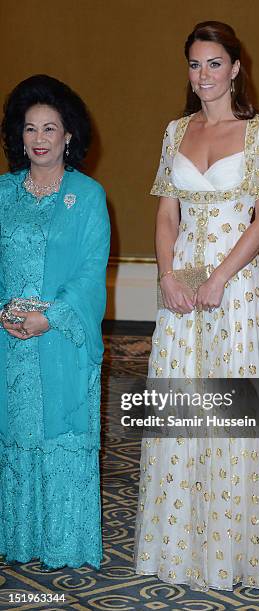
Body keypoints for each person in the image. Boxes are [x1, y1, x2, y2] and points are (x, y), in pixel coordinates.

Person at [134, 22, 259, 591]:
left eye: (213, 63)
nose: (202, 76)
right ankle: (179, 548)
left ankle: (236, 552)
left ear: (234, 68)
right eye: (194, 65)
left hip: (236, 293)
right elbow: (165, 216)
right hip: (181, 294)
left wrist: (220, 278)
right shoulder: (175, 131)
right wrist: (169, 276)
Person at [0, 75, 110, 570]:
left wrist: (50, 317)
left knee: (60, 433)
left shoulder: (87, 196)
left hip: (60, 338)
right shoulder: (2, 193)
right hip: (6, 338)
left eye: (50, 128)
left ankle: (64, 542)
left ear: (70, 136)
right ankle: (17, 538)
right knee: (13, 431)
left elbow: (91, 271)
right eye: (29, 129)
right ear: (18, 136)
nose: (39, 139)